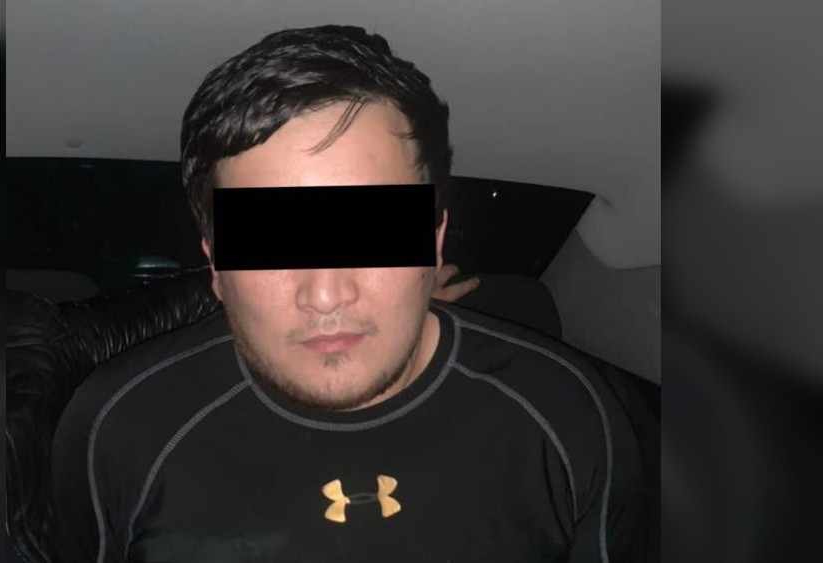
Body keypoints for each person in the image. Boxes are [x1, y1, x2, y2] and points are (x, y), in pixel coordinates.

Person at [49, 24, 646, 562]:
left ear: (434, 240)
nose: (326, 293)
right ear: (215, 266)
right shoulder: (119, 430)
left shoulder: (568, 415)